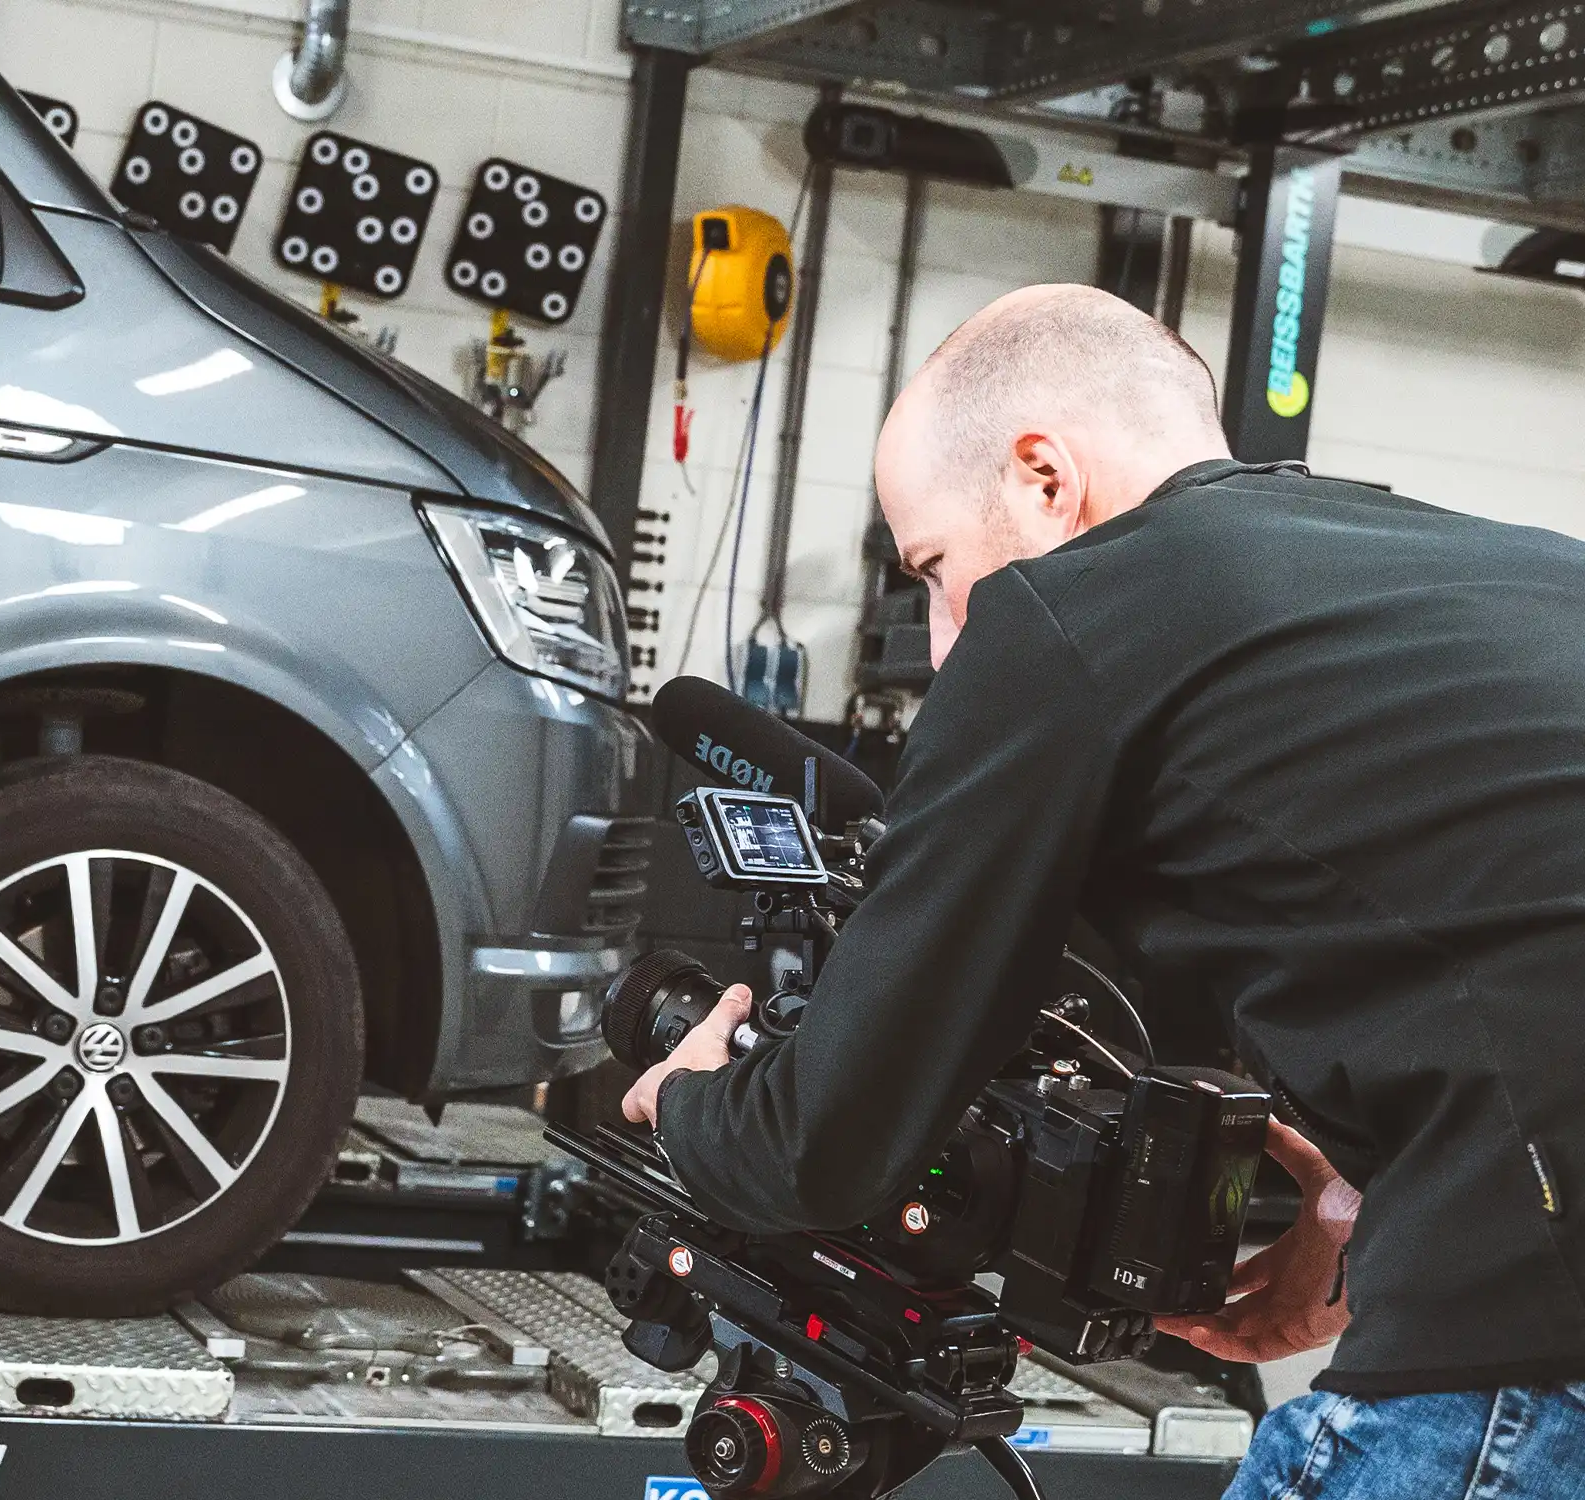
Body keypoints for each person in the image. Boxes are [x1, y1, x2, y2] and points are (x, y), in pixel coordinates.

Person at [623, 284, 1585, 1497]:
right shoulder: (1518, 567)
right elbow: (1489, 920)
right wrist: (1358, 1199)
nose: (938, 642)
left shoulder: (1069, 611)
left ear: (1041, 478)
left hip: (1527, 1335)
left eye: (932, 567)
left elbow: (824, 1145)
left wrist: (695, 1101)